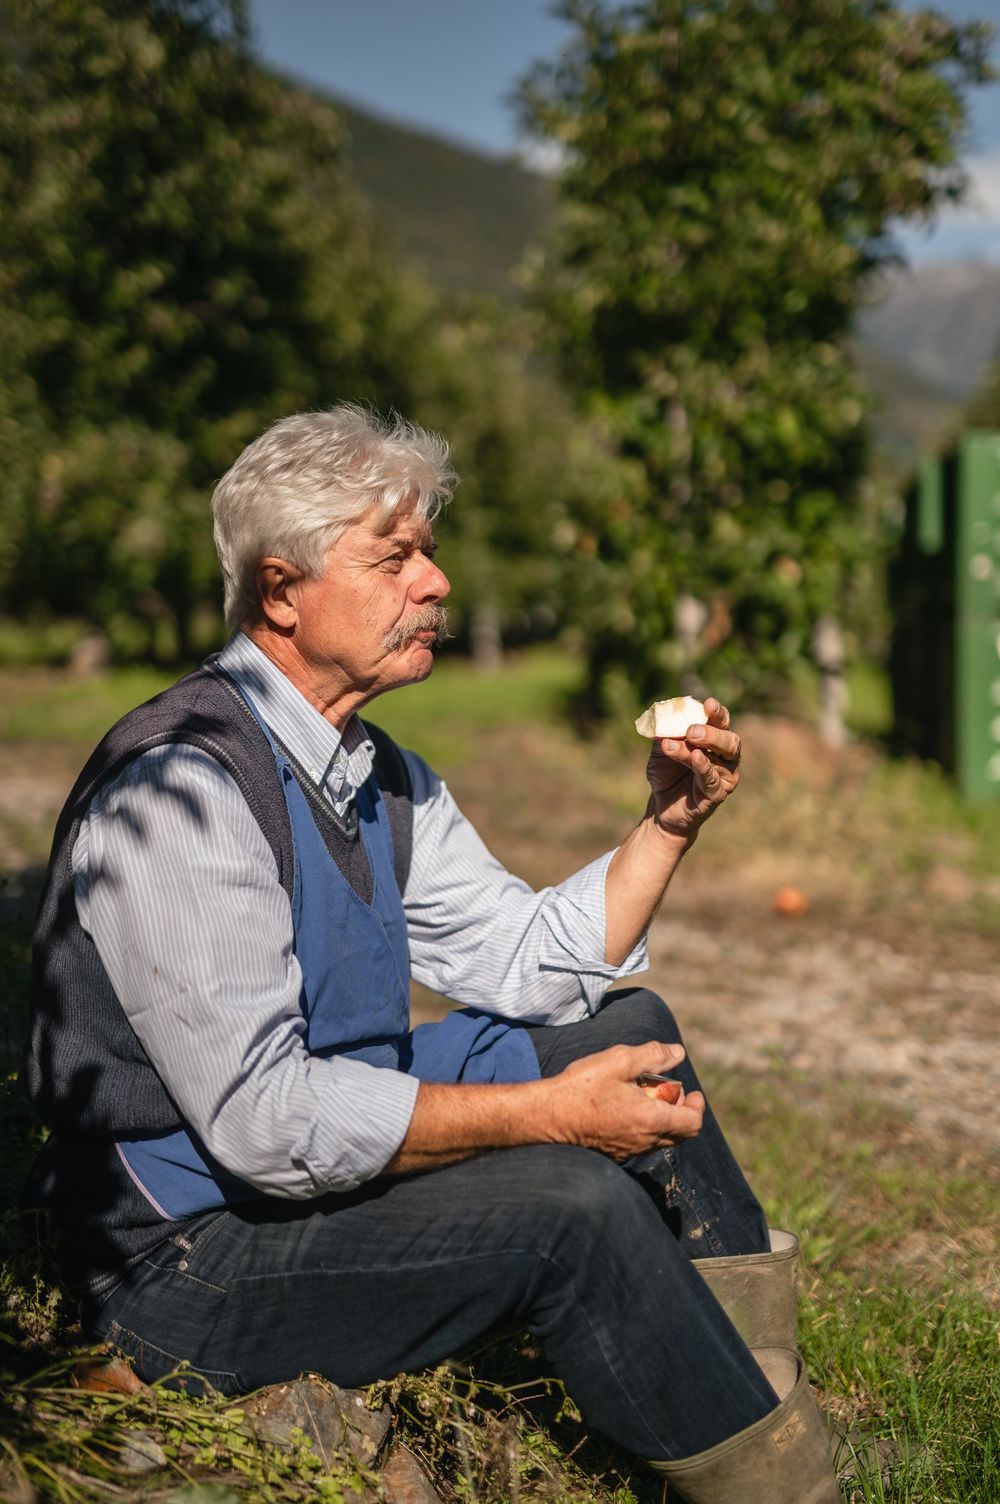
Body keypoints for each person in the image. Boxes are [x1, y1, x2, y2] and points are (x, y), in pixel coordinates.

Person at [24, 405, 841, 1502]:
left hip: (304, 1162)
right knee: (568, 1201)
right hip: (191, 1260)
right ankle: (780, 1489)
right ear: (281, 592)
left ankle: (749, 1397)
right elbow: (267, 1128)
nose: (438, 581)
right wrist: (542, 1118)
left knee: (634, 1034)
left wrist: (667, 825)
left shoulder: (374, 773)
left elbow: (531, 963)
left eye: (430, 550)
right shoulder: (184, 792)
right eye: (395, 555)